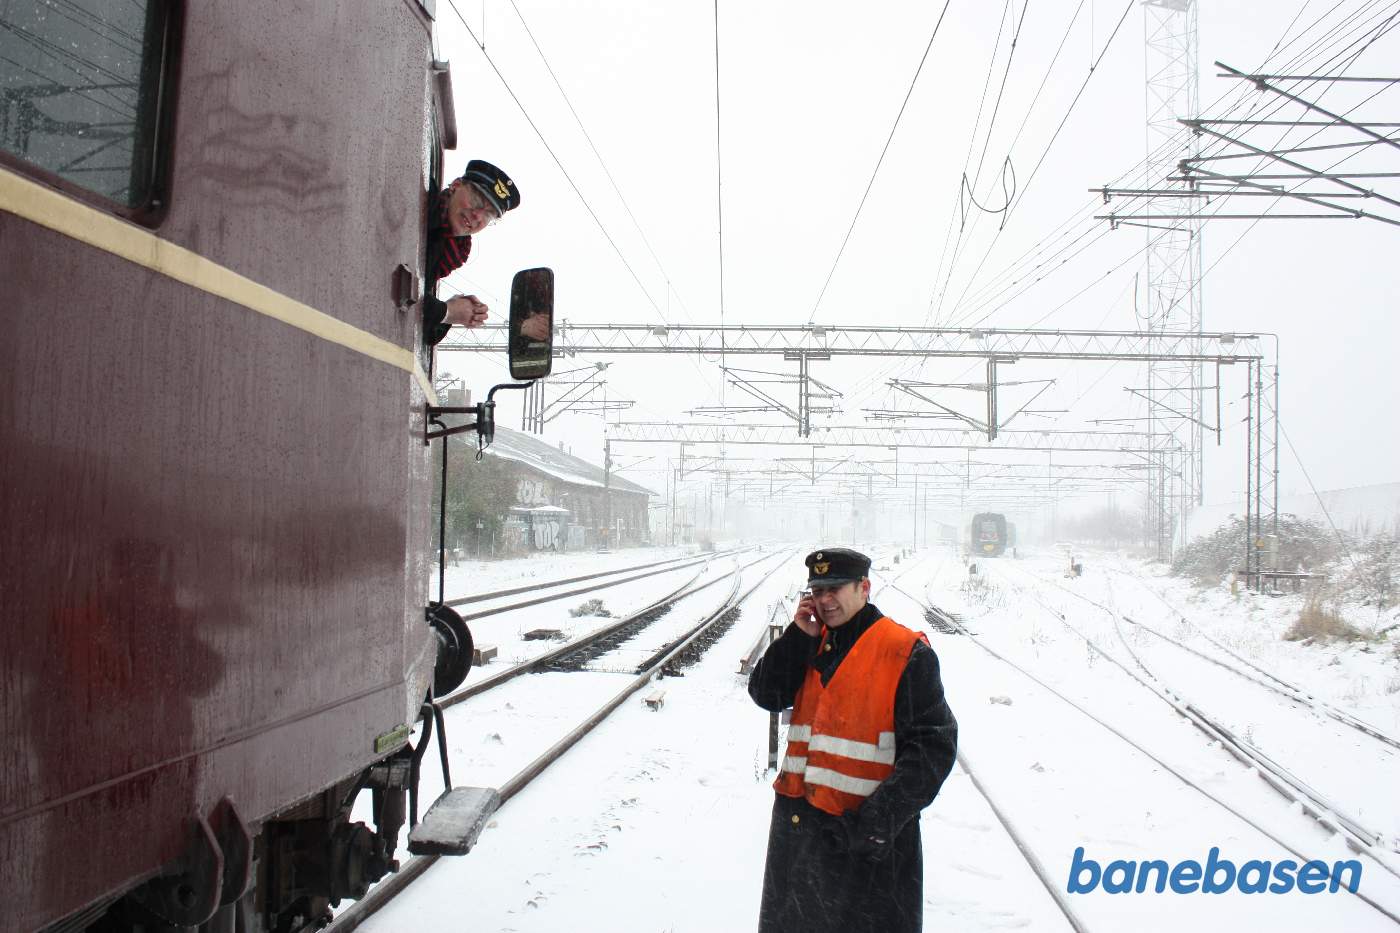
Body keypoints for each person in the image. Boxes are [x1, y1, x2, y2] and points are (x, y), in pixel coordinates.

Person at [748, 547, 958, 933]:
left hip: (866, 844)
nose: (825, 600)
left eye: (835, 589)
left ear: (864, 587)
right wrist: (797, 637)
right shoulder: (810, 641)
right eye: (817, 590)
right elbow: (766, 694)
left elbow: (933, 748)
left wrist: (876, 823)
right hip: (800, 833)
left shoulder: (904, 652)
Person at [423, 159, 521, 346]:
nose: (477, 216)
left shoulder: (449, 250)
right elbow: (397, 292)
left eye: (489, 214)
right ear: (456, 185)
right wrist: (448, 312)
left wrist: (452, 310)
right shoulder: (421, 204)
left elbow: (417, 330)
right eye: (476, 201)